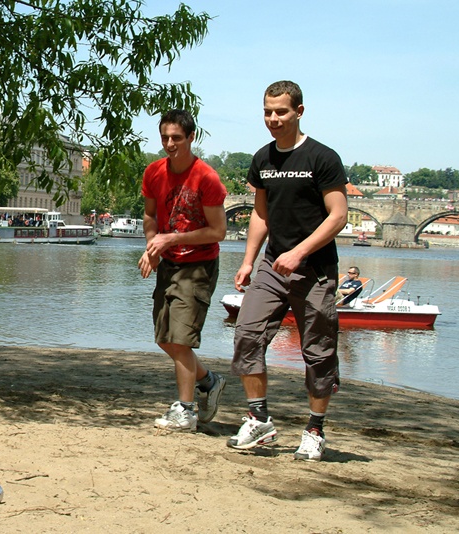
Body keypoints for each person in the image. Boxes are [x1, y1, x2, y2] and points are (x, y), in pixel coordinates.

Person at [228, 81, 349, 461]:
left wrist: (299, 252)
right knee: (247, 334)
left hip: (315, 269)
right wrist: (249, 260)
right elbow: (260, 214)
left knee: (318, 351)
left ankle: (315, 429)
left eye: (281, 111)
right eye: (267, 112)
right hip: (272, 265)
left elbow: (339, 216)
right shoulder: (263, 159)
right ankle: (259, 420)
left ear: (299, 111)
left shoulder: (322, 157)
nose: (273, 119)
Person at [138, 109, 228, 432]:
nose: (169, 143)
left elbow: (218, 231)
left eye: (176, 137)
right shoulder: (154, 172)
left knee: (180, 340)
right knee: (164, 338)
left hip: (198, 265)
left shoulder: (206, 178)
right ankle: (210, 382)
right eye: (165, 137)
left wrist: (172, 238)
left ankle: (186, 410)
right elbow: (150, 216)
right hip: (169, 262)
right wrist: (152, 247)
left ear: (191, 137)